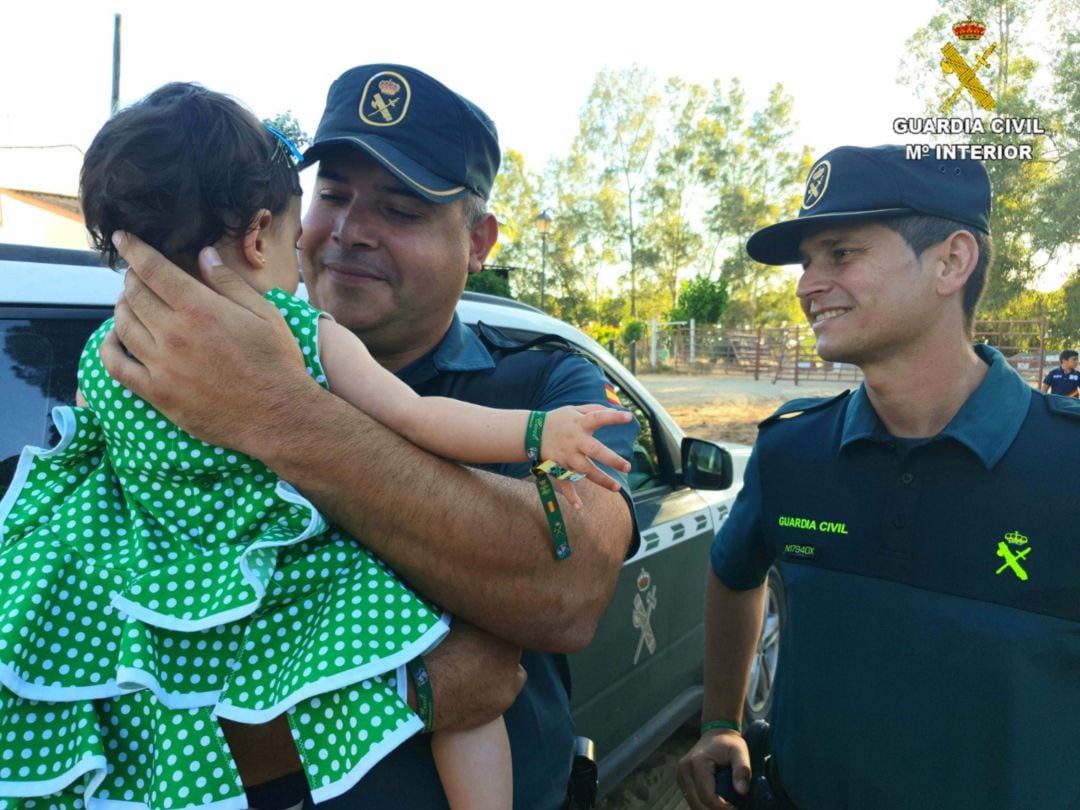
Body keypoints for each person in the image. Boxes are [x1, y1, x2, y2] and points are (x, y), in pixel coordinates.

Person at [0, 82, 635, 810]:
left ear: (479, 242)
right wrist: (405, 690)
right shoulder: (140, 363)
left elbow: (571, 586)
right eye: (332, 195)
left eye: (400, 210)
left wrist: (280, 412)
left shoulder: (545, 377)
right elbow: (119, 705)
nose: (349, 231)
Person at [676, 144, 1080, 809]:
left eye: (842, 253)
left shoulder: (1066, 465)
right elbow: (733, 570)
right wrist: (721, 720)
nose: (807, 285)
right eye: (807, 263)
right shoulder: (793, 449)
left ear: (951, 260)